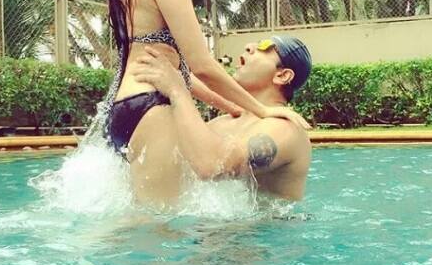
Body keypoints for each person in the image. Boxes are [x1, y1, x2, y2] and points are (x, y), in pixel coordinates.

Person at [75, 0, 309, 205]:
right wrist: (264, 110)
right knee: (161, 224)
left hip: (124, 107)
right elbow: (201, 65)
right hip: (152, 107)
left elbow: (177, 72)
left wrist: (228, 106)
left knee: (139, 218)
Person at [130, 36, 313, 201]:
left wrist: (177, 91)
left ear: (282, 76)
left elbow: (211, 166)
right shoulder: (224, 122)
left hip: (269, 228)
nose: (249, 46)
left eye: (265, 47)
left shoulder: (286, 129)